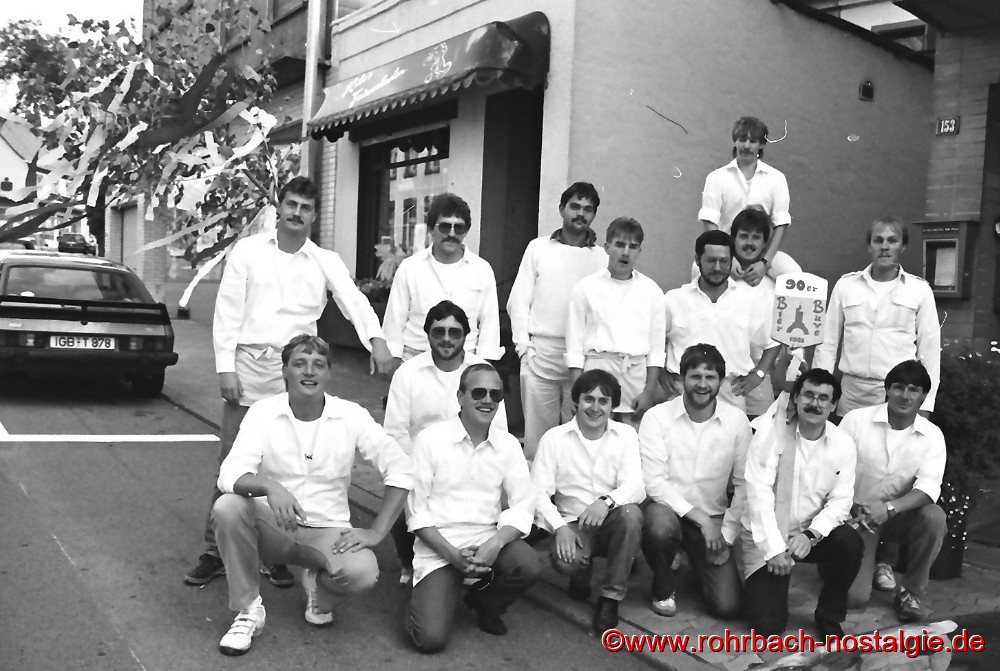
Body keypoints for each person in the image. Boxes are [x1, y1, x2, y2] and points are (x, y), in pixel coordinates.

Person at [186, 176, 393, 587]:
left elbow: (354, 300)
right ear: (278, 207)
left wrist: (378, 341)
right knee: (234, 460)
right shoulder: (247, 251)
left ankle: (275, 549)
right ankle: (216, 549)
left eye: (306, 208)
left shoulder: (324, 260)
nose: (297, 213)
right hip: (248, 363)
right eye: (292, 204)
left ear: (315, 216)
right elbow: (228, 310)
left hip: (297, 370)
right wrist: (225, 366)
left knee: (287, 458)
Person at [211, 335, 412, 656]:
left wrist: (377, 531)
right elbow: (229, 473)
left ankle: (318, 592)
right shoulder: (262, 412)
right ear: (285, 371)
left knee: (362, 572)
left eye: (318, 364)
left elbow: (401, 467)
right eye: (300, 363)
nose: (309, 371)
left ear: (328, 373)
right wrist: (269, 487)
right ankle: (248, 610)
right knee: (228, 508)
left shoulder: (351, 415)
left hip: (327, 531)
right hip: (273, 527)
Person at [406, 364, 541, 653]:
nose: (487, 400)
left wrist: (496, 542)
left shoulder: (508, 445)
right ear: (460, 397)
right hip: (440, 544)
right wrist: (451, 555)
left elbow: (523, 503)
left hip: (485, 539)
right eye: (478, 392)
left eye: (495, 394)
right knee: (429, 639)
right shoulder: (430, 440)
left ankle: (483, 601)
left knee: (527, 565)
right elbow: (415, 511)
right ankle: (434, 590)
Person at [384, 300, 508, 585]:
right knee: (404, 510)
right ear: (427, 334)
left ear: (466, 335)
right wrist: (416, 470)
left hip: (475, 458)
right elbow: (394, 433)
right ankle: (411, 564)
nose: (446, 339)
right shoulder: (408, 373)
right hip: (420, 465)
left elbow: (499, 429)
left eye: (455, 332)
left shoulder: (483, 371)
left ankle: (475, 566)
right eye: (439, 331)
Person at [742, 368, 863, 637]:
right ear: (795, 398)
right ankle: (755, 587)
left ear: (833, 406)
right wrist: (774, 548)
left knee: (849, 542)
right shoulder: (770, 433)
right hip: (767, 537)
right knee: (768, 628)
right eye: (808, 395)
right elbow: (758, 495)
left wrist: (810, 535)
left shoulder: (843, 444)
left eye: (823, 398)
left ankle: (829, 616)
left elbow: (841, 501)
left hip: (808, 536)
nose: (814, 403)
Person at [639, 344, 749, 619]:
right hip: (667, 513)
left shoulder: (736, 421)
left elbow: (745, 484)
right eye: (695, 377)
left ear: (720, 381)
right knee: (659, 525)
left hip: (713, 523)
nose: (702, 385)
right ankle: (663, 582)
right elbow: (654, 482)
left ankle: (690, 561)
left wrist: (726, 536)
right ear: (681, 379)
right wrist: (699, 518)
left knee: (728, 607)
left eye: (710, 378)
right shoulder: (657, 417)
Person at [531, 369, 645, 634]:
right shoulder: (554, 439)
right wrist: (559, 528)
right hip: (572, 524)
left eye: (603, 401)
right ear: (576, 402)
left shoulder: (626, 435)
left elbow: (636, 486)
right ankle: (581, 571)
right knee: (567, 563)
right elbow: (537, 492)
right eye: (588, 399)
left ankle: (610, 597)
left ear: (613, 406)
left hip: (611, 519)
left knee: (632, 515)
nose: (595, 407)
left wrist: (605, 502)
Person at [507, 182, 609, 460]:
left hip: (582, 357)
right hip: (540, 353)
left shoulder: (601, 257)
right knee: (537, 439)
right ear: (562, 208)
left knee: (576, 435)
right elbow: (519, 300)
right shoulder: (538, 248)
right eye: (575, 206)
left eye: (588, 209)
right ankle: (535, 499)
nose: (580, 213)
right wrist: (523, 347)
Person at [841, 360, 947, 622]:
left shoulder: (932, 436)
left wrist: (889, 509)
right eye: (898, 387)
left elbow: (928, 487)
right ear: (887, 389)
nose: (905, 395)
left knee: (934, 517)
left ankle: (910, 592)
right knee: (854, 599)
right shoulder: (856, 421)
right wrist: (849, 503)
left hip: (898, 517)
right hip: (858, 517)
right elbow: (832, 468)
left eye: (913, 389)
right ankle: (842, 562)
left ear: (924, 396)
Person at [813, 216, 941, 417]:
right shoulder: (846, 286)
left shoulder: (919, 290)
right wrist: (821, 391)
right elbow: (827, 343)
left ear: (903, 246)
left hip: (896, 394)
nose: (885, 246)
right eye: (878, 240)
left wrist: (926, 404)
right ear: (869, 246)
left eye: (892, 240)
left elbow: (930, 351)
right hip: (851, 393)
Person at [662, 230, 780, 412]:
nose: (717, 267)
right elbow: (653, 339)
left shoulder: (749, 300)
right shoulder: (674, 299)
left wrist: (759, 374)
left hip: (731, 393)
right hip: (682, 391)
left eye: (724, 261)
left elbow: (773, 340)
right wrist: (661, 374)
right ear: (697, 259)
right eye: (711, 260)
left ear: (732, 260)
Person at [382, 193, 503, 367]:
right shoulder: (410, 268)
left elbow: (489, 324)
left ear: (466, 231)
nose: (452, 234)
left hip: (466, 363)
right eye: (445, 227)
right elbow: (395, 319)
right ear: (431, 229)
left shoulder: (482, 270)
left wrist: (483, 368)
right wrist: (393, 362)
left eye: (459, 228)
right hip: (415, 360)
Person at [565, 217, 665, 423]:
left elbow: (656, 350)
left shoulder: (651, 291)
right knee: (595, 435)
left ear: (639, 251)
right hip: (596, 371)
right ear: (607, 247)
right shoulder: (586, 288)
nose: (626, 252)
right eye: (620, 245)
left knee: (631, 439)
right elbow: (574, 346)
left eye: (633, 246)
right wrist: (578, 392)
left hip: (634, 376)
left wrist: (649, 392)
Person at [698, 115, 791, 286]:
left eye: (753, 141)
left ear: (762, 145)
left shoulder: (777, 178)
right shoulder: (716, 178)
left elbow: (781, 223)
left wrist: (765, 262)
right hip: (725, 250)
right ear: (734, 141)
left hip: (762, 250)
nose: (746, 146)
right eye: (741, 139)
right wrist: (727, 258)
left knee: (794, 275)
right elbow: (709, 222)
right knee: (697, 272)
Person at [730, 207, 802, 416]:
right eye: (743, 236)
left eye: (756, 237)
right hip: (723, 373)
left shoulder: (774, 280)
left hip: (759, 373)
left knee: (760, 432)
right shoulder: (718, 276)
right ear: (733, 239)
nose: (749, 243)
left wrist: (761, 372)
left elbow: (787, 326)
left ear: (765, 243)